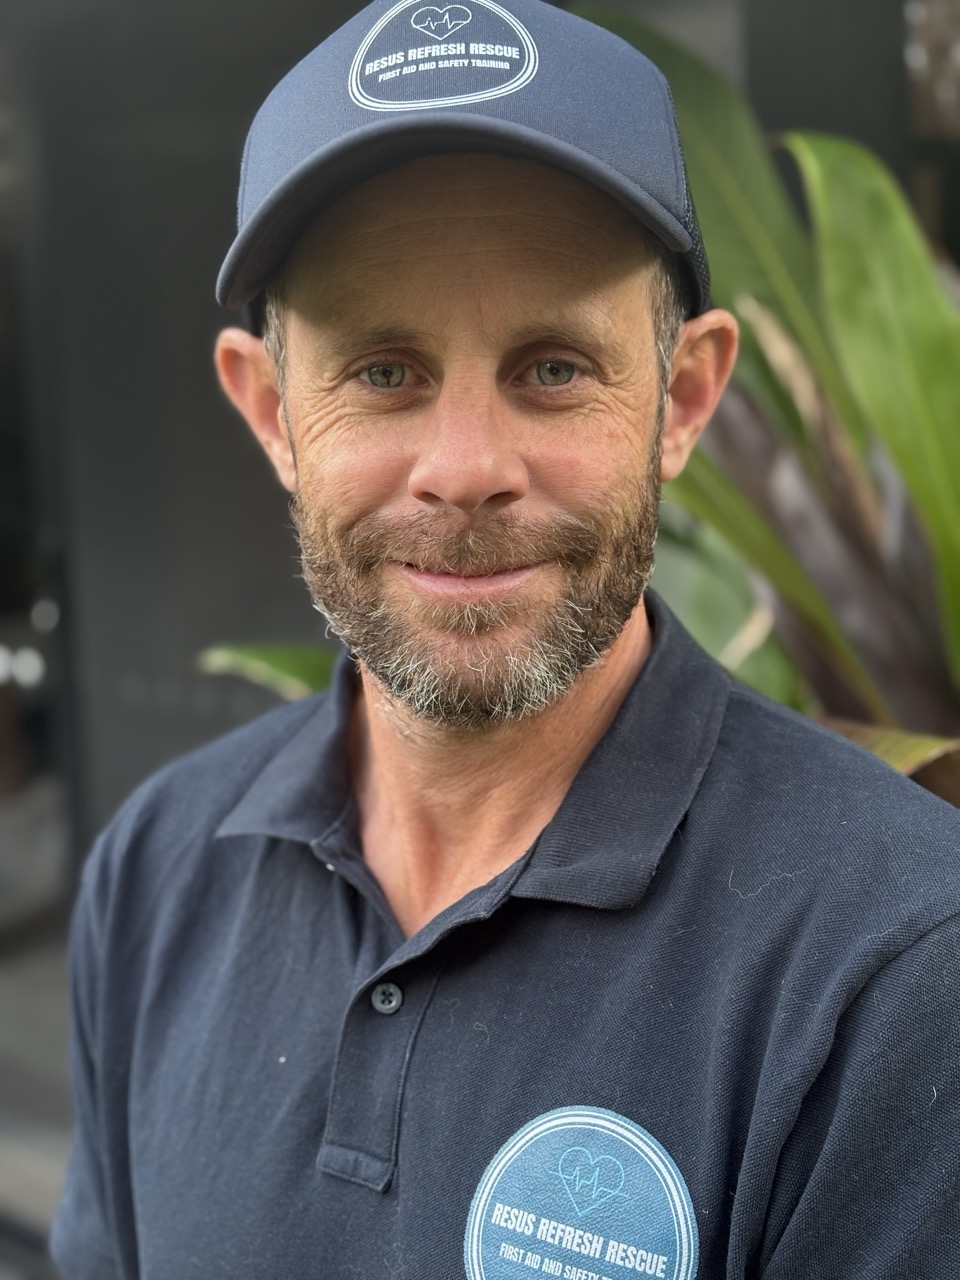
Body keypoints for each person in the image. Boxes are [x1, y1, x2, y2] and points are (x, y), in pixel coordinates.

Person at [51, 1, 960, 1277]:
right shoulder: (151, 875)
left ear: (685, 397)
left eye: (550, 368)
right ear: (270, 413)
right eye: (381, 370)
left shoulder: (902, 962)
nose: (465, 470)